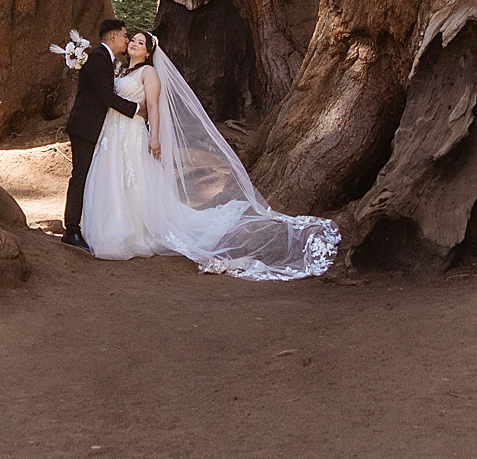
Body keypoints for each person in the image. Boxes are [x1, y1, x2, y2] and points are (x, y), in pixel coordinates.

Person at [80, 30, 341, 280]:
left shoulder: (149, 73)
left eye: (140, 42)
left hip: (133, 134)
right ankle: (115, 226)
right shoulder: (123, 71)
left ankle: (135, 232)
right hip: (114, 135)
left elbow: (155, 109)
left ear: (148, 52)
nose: (134, 44)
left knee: (135, 180)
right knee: (117, 180)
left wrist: (155, 137)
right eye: (133, 40)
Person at [61, 18, 139, 250]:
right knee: (81, 176)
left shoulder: (106, 59)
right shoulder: (98, 58)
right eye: (125, 36)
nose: (127, 40)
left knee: (89, 176)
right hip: (84, 127)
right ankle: (71, 230)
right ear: (112, 37)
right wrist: (135, 110)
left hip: (93, 127)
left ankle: (82, 225)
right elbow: (106, 95)